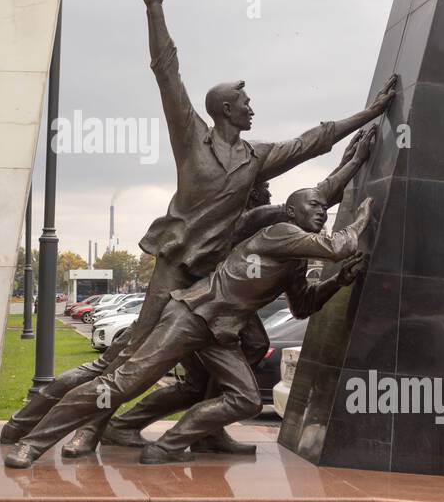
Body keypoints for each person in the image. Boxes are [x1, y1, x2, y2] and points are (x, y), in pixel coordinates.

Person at [0, 0, 397, 456]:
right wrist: (154, 9)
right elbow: (167, 73)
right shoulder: (192, 139)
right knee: (121, 361)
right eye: (245, 103)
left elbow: (312, 143)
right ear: (226, 109)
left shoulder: (255, 160)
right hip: (176, 271)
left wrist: (369, 115)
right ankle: (33, 427)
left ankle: (203, 428)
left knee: (246, 347)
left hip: (214, 285)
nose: (253, 109)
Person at [5, 187, 373, 468]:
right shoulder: (279, 231)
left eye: (325, 208)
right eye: (315, 206)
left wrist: (339, 280)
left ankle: (166, 446)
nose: (323, 212)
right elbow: (337, 245)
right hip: (191, 316)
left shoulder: (294, 258)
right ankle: (33, 443)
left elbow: (304, 304)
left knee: (245, 398)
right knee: (120, 383)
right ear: (292, 211)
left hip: (220, 333)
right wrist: (360, 219)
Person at [99, 126, 377, 449]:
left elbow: (302, 302)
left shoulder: (297, 249)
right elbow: (317, 198)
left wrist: (338, 279)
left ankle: (195, 433)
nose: (268, 194)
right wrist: (352, 170)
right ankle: (127, 428)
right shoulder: (263, 221)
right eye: (263, 190)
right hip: (200, 306)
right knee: (168, 375)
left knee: (224, 369)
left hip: (221, 314)